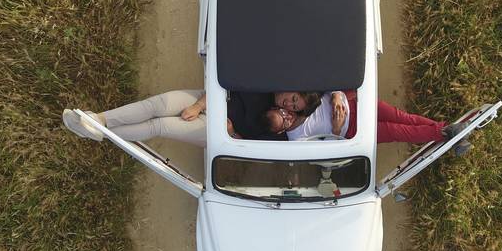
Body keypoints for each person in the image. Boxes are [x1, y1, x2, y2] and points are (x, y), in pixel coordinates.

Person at [62, 90, 322, 145]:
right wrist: (198, 104)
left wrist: (231, 133)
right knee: (158, 104)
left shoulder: (278, 133)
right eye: (291, 99)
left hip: (215, 128)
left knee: (159, 125)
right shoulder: (263, 84)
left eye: (293, 109)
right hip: (208, 99)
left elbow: (248, 148)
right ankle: (97, 121)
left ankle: (99, 132)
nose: (287, 106)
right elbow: (225, 84)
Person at [264, 90, 473, 152]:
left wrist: (336, 95)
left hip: (356, 104)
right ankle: (446, 133)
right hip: (352, 129)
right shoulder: (296, 140)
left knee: (403, 118)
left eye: (283, 110)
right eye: (283, 122)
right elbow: (329, 152)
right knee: (398, 131)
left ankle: (448, 131)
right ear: (280, 132)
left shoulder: (302, 99)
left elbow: (331, 85)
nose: (288, 114)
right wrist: (336, 130)